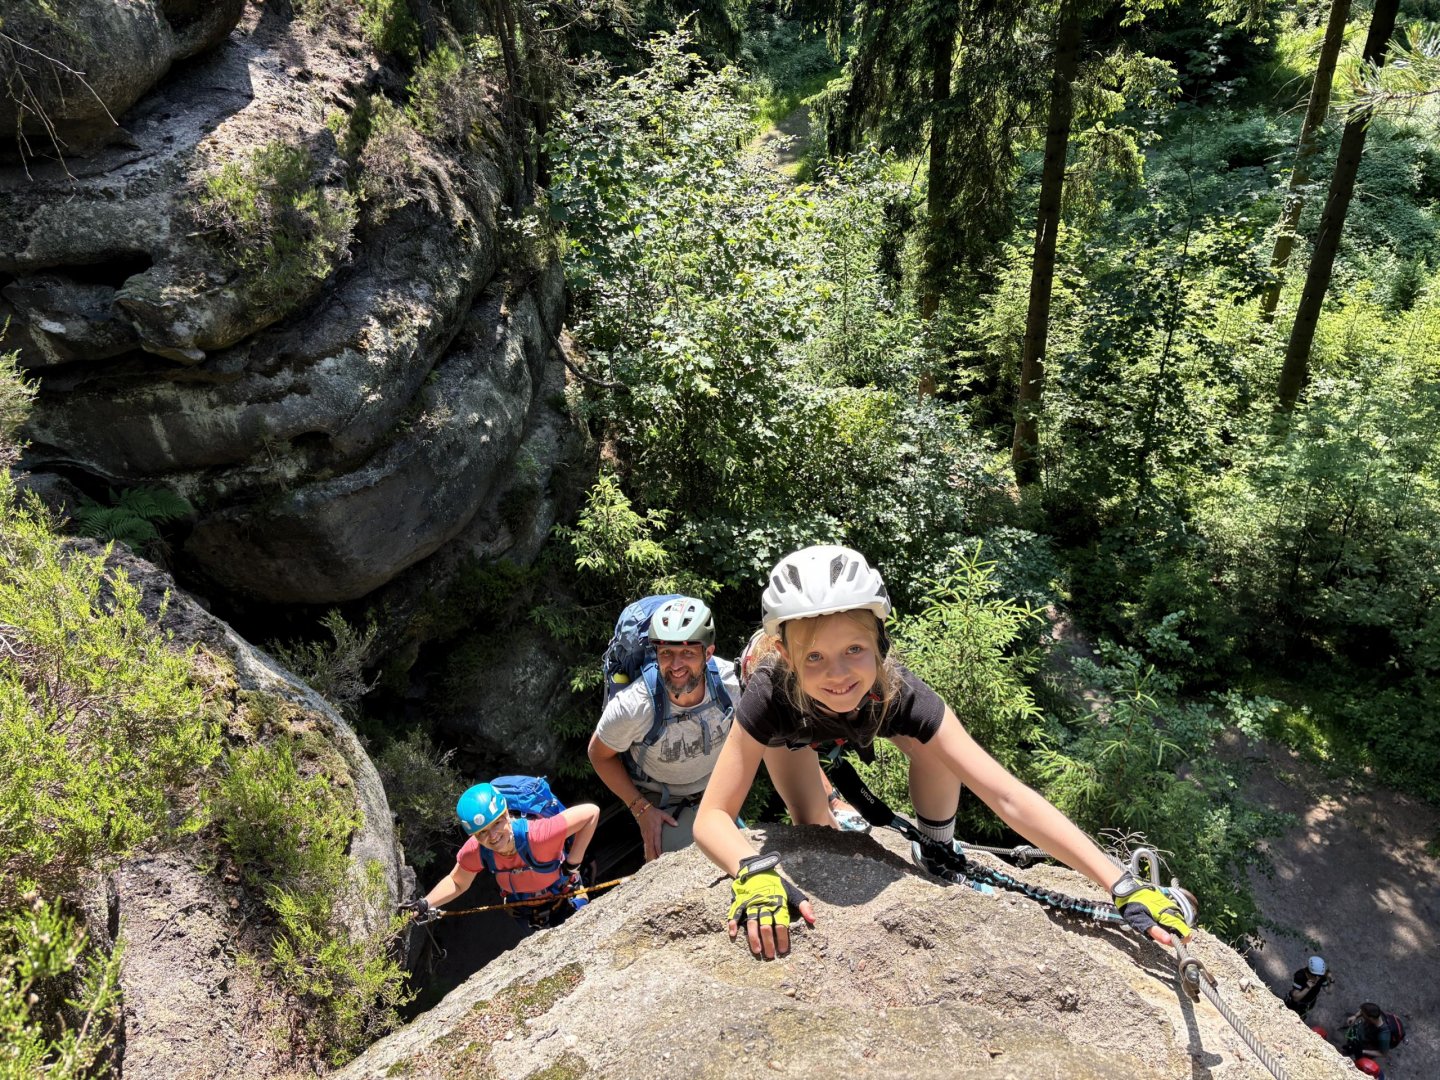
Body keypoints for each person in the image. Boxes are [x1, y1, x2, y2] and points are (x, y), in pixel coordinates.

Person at [694, 544, 1198, 960]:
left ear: (880, 642)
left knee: (937, 749)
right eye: (815, 656)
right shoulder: (770, 692)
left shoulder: (901, 694)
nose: (838, 674)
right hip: (795, 723)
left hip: (859, 713)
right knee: (813, 827)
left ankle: (936, 847)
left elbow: (1006, 795)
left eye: (854, 650)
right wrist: (752, 871)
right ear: (786, 655)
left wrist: (1120, 884)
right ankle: (831, 803)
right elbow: (713, 816)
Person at [590, 596, 867, 862]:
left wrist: (831, 798)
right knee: (694, 862)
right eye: (666, 653)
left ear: (708, 653)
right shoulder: (635, 706)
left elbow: (784, 737)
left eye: (687, 653)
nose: (676, 665)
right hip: (662, 798)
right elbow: (599, 754)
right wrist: (641, 809)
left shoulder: (731, 684)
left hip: (714, 787)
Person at [405, 782, 599, 929]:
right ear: (474, 835)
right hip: (524, 910)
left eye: (497, 823)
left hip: (565, 898)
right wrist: (424, 903)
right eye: (482, 832)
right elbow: (457, 882)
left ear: (506, 814)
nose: (492, 836)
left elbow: (591, 813)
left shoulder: (539, 835)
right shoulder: (477, 850)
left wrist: (573, 863)